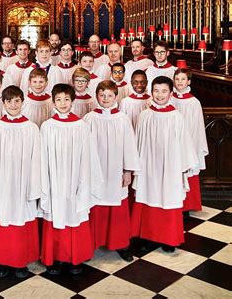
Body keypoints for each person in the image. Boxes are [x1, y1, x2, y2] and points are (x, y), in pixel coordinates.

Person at [0, 85, 41, 279]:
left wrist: (34, 183)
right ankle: (1, 260)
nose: (13, 105)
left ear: (23, 103)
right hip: (2, 182)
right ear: (3, 104)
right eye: (9, 101)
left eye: (17, 101)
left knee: (22, 217)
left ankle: (20, 261)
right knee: (2, 217)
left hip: (24, 183)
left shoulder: (31, 128)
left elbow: (37, 158)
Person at [40, 84, 101, 275]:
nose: (63, 103)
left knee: (75, 214)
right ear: (53, 101)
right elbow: (42, 157)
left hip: (77, 178)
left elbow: (89, 156)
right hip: (54, 179)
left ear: (73, 101)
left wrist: (85, 180)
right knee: (55, 213)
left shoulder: (82, 126)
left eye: (67, 99)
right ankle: (54, 258)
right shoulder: (47, 126)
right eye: (59, 99)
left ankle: (76, 258)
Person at [131, 76, 197, 252]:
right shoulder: (144, 115)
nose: (160, 95)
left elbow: (184, 142)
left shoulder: (176, 116)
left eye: (164, 91)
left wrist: (184, 165)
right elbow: (138, 141)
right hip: (148, 165)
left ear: (171, 93)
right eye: (156, 91)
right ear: (151, 92)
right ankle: (149, 236)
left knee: (168, 198)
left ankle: (168, 238)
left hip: (170, 166)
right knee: (150, 196)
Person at [83, 81, 140, 261]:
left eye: (109, 95)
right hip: (95, 170)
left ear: (116, 97)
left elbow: (129, 146)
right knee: (95, 204)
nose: (105, 99)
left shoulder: (122, 118)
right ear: (96, 96)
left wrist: (127, 170)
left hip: (116, 170)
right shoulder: (89, 118)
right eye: (102, 95)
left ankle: (120, 243)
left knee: (117, 205)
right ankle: (92, 242)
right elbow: (83, 147)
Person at [171, 67, 208, 213]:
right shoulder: (169, 98)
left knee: (187, 170)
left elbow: (197, 126)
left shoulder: (194, 102)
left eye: (183, 79)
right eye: (177, 79)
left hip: (188, 143)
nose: (180, 82)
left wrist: (191, 146)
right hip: (172, 143)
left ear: (189, 81)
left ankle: (187, 205)